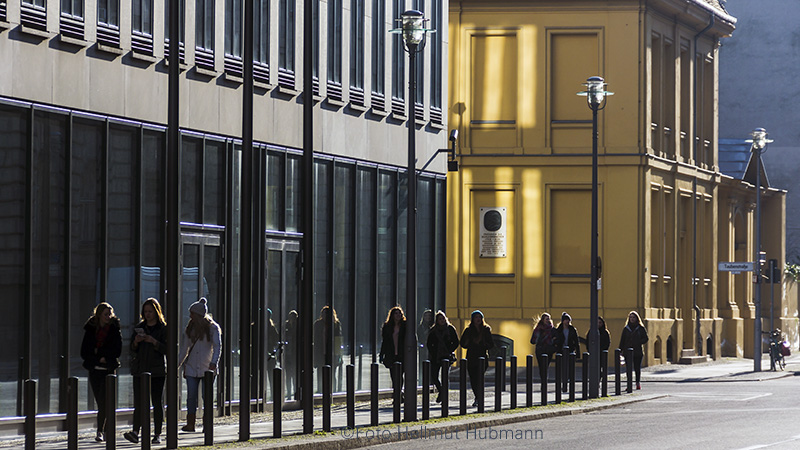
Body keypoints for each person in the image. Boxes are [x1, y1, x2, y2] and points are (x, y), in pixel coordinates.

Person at [124, 298, 167, 444]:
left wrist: (153, 341)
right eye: (145, 312)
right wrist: (136, 341)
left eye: (150, 312)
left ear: (156, 312)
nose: (147, 314)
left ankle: (158, 433)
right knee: (140, 402)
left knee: (156, 402)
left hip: (157, 371)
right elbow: (131, 348)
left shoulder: (162, 328)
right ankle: (136, 431)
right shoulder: (140, 327)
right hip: (140, 370)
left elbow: (167, 349)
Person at [80, 302, 122, 442]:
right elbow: (85, 351)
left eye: (110, 314)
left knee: (105, 401)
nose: (108, 317)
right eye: (105, 314)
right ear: (99, 315)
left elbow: (117, 350)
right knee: (100, 401)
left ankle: (101, 430)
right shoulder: (91, 329)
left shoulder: (114, 329)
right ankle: (104, 429)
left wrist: (102, 353)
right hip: (95, 370)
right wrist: (99, 357)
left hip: (109, 370)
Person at [178, 298, 222, 432]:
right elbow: (184, 349)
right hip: (192, 367)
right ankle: (190, 423)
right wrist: (177, 365)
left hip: (207, 367)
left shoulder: (213, 328)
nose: (190, 316)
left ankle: (207, 422)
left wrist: (214, 363)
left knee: (206, 396)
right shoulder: (189, 328)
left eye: (192, 313)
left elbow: (217, 346)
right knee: (191, 396)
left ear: (199, 315)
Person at [459, 310, 494, 407]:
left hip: (482, 358)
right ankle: (477, 397)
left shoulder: (486, 329)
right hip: (471, 357)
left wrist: (483, 344)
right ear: (472, 319)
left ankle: (479, 398)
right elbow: (462, 343)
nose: (478, 319)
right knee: (473, 379)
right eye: (476, 317)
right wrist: (470, 342)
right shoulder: (468, 330)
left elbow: (491, 344)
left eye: (479, 317)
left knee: (479, 378)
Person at [426, 310, 459, 403]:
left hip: (447, 356)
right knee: (434, 376)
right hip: (436, 356)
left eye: (443, 318)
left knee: (445, 376)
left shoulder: (450, 329)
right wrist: (433, 352)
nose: (442, 320)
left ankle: (443, 395)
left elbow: (456, 342)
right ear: (437, 321)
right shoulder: (433, 330)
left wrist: (449, 350)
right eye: (440, 319)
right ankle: (441, 391)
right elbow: (429, 343)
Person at [313, 306, 343, 392]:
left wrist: (338, 354)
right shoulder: (318, 324)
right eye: (323, 314)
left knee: (332, 373)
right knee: (320, 372)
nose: (325, 316)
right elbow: (315, 339)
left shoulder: (336, 324)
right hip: (320, 352)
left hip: (332, 353)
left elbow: (338, 339)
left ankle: (331, 390)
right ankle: (320, 390)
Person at [379, 306, 407, 395]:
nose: (398, 315)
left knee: (400, 375)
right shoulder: (387, 326)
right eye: (396, 313)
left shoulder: (405, 325)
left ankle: (398, 394)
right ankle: (398, 393)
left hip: (402, 354)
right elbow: (385, 341)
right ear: (392, 315)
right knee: (394, 376)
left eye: (399, 313)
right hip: (391, 354)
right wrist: (381, 354)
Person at [619, 310, 648, 390]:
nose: (632, 319)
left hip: (637, 351)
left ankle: (637, 383)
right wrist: (620, 350)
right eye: (630, 317)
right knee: (628, 368)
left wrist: (638, 342)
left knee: (637, 368)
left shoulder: (640, 328)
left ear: (637, 318)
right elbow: (622, 340)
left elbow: (646, 338)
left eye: (633, 317)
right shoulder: (626, 328)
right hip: (627, 351)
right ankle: (629, 384)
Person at [554, 312, 580, 392]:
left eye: (568, 320)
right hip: (561, 351)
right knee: (561, 368)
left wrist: (577, 353)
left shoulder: (572, 330)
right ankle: (563, 384)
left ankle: (568, 383)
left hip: (570, 350)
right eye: (566, 320)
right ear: (562, 321)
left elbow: (576, 341)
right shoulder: (558, 330)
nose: (567, 322)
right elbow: (555, 340)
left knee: (569, 368)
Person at [530, 313, 557, 383]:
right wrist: (538, 338)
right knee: (541, 367)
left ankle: (544, 382)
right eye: (546, 319)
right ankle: (543, 381)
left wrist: (554, 343)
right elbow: (532, 341)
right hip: (540, 350)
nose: (548, 320)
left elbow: (558, 338)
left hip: (549, 350)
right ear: (542, 320)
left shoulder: (552, 329)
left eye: (549, 319)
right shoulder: (538, 329)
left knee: (546, 367)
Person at [284, 310, 298, 400]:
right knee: (288, 375)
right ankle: (289, 393)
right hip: (288, 354)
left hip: (295, 354)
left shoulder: (298, 326)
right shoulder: (286, 325)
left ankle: (295, 392)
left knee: (294, 375)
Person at [417, 309, 434, 383]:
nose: (428, 317)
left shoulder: (434, 327)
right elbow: (418, 338)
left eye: (429, 316)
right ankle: (422, 380)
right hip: (423, 349)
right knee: (422, 365)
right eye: (426, 316)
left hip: (432, 350)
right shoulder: (421, 327)